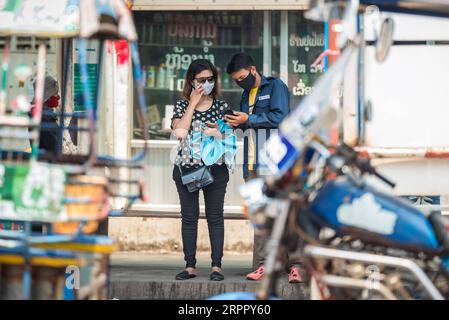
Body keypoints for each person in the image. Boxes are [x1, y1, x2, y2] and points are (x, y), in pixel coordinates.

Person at [225, 52, 302, 283]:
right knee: (260, 218)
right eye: (236, 80)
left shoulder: (275, 86)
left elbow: (280, 117)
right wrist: (231, 123)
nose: (240, 82)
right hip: (252, 164)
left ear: (253, 69)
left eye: (241, 77)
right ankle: (264, 265)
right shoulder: (245, 94)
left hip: (277, 164)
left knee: (287, 215)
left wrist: (247, 119)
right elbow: (248, 126)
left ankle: (296, 266)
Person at [171, 59, 233, 282]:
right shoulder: (181, 105)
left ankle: (216, 266)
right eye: (201, 80)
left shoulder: (221, 106)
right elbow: (180, 132)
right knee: (189, 217)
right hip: (187, 169)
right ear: (191, 81)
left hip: (215, 169)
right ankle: (190, 266)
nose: (206, 84)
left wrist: (218, 132)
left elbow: (229, 135)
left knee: (215, 217)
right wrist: (192, 103)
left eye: (210, 79)